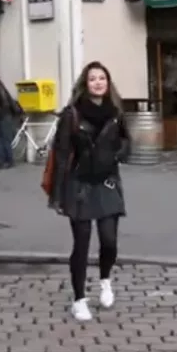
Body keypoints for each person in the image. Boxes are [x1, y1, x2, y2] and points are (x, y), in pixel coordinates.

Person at [48, 61, 130, 322]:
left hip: (107, 183)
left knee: (109, 240)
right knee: (81, 245)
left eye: (102, 78)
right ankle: (79, 300)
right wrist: (58, 195)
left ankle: (105, 279)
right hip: (79, 185)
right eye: (93, 78)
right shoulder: (72, 114)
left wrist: (118, 155)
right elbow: (60, 155)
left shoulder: (116, 112)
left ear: (108, 83)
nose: (98, 82)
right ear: (86, 83)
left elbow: (127, 140)